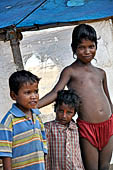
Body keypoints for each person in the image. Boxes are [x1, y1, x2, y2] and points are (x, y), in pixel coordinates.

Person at [38, 24, 113, 170]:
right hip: (87, 128)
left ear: (96, 46)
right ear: (74, 48)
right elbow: (55, 93)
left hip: (108, 125)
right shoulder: (70, 71)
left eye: (91, 46)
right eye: (82, 47)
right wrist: (34, 105)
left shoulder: (101, 73)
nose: (87, 51)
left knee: (104, 167)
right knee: (91, 167)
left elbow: (108, 98)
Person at [0, 70, 47, 170]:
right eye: (28, 92)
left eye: (36, 91)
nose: (34, 96)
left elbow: (43, 145)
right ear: (13, 95)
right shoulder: (8, 122)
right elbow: (5, 153)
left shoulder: (37, 116)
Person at [45, 89, 84, 170]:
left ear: (74, 113)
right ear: (55, 109)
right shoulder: (48, 128)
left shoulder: (76, 128)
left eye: (69, 112)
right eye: (61, 111)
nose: (64, 116)